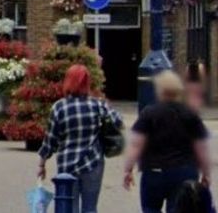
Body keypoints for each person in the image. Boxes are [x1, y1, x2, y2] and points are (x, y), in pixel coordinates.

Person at [36, 64, 121, 213]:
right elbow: (118, 122)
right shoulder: (97, 104)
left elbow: (50, 140)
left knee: (69, 207)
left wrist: (41, 165)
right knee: (90, 208)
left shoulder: (59, 107)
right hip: (93, 162)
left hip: (67, 166)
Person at [125, 70, 211, 213]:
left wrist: (128, 169)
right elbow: (201, 147)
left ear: (159, 90)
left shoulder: (149, 113)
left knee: (150, 208)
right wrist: (206, 173)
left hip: (154, 172)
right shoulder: (190, 114)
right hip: (184, 171)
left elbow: (136, 144)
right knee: (180, 208)